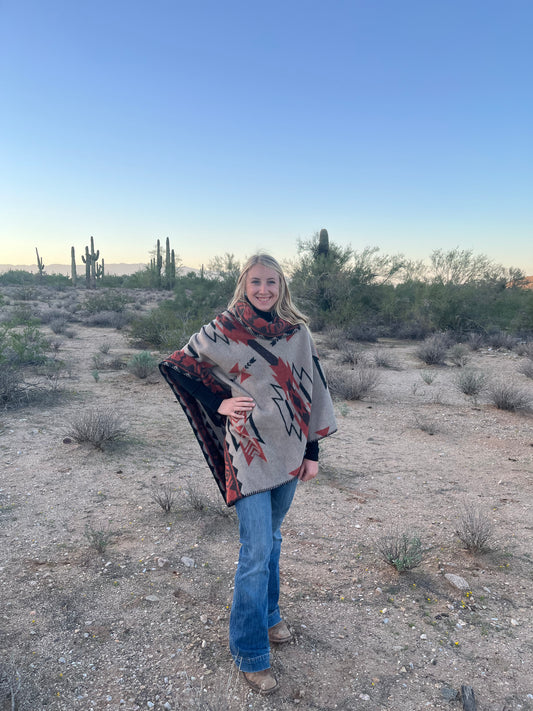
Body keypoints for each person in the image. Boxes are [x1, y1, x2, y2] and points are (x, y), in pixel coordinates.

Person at [159, 253, 337, 695]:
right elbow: (181, 364)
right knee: (256, 549)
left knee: (272, 539)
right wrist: (218, 401)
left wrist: (312, 451)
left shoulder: (297, 333)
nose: (263, 290)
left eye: (271, 282)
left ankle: (270, 615)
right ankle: (250, 652)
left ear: (281, 286)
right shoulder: (224, 328)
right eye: (256, 281)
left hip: (290, 450)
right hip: (247, 453)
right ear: (244, 284)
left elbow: (311, 390)